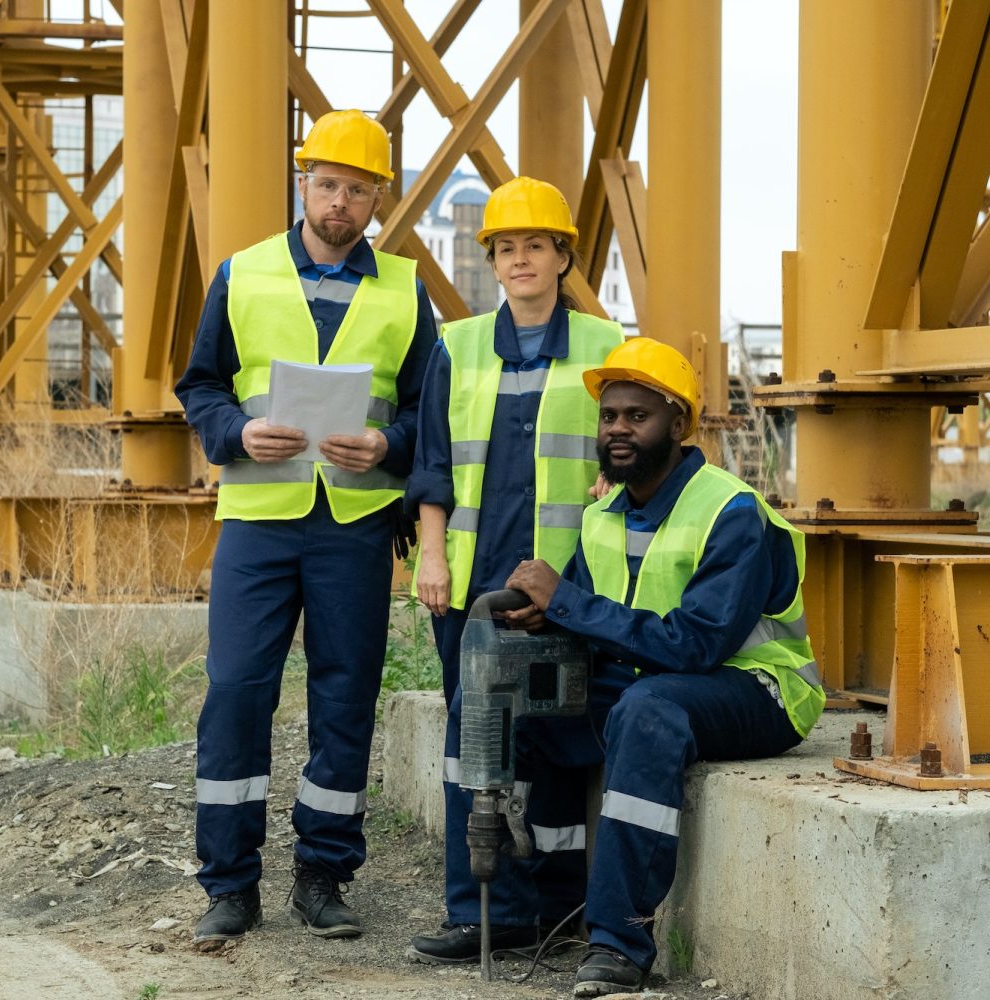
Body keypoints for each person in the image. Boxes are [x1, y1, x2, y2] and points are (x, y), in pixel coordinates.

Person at [410, 337, 825, 996]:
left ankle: (618, 941)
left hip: (755, 689)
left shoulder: (732, 512)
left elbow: (695, 645)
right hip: (648, 674)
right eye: (609, 417)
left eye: (638, 416)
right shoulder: (605, 514)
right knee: (501, 684)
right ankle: (517, 909)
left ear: (679, 425)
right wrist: (541, 617)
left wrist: (568, 602)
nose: (619, 430)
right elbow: (589, 613)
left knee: (647, 711)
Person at [175, 109, 437, 948]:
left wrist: (389, 444)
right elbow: (201, 384)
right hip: (259, 514)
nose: (340, 203)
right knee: (238, 693)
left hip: (354, 525)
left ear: (376, 203)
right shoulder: (242, 274)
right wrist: (234, 435)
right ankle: (230, 886)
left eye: (357, 191)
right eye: (327, 185)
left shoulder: (405, 289)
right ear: (304, 184)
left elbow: (430, 411)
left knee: (344, 697)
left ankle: (323, 876)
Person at [403, 176, 624, 961]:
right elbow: (432, 467)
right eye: (506, 247)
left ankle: (558, 909)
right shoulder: (456, 347)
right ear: (489, 259)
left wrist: (618, 477)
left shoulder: (607, 346)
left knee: (561, 740)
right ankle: (480, 911)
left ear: (564, 256)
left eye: (536, 245)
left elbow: (638, 448)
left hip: (567, 587)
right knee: (477, 743)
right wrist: (431, 558)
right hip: (471, 584)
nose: (520, 258)